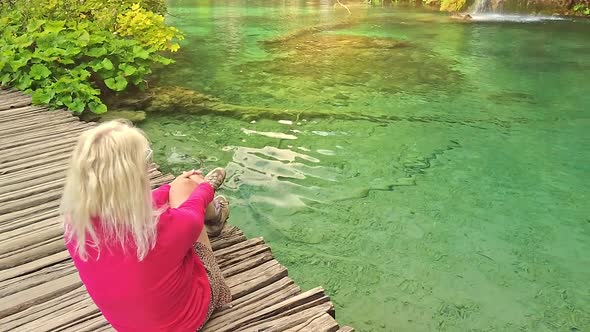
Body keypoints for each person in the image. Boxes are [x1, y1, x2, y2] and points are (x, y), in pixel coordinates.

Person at [60, 120, 231, 331]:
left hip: (128, 326)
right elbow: (192, 215)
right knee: (189, 192)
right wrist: (204, 186)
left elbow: (133, 208)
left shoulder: (75, 225)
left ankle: (213, 212)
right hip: (185, 322)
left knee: (179, 189)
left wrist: (169, 186)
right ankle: (215, 217)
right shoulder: (160, 227)